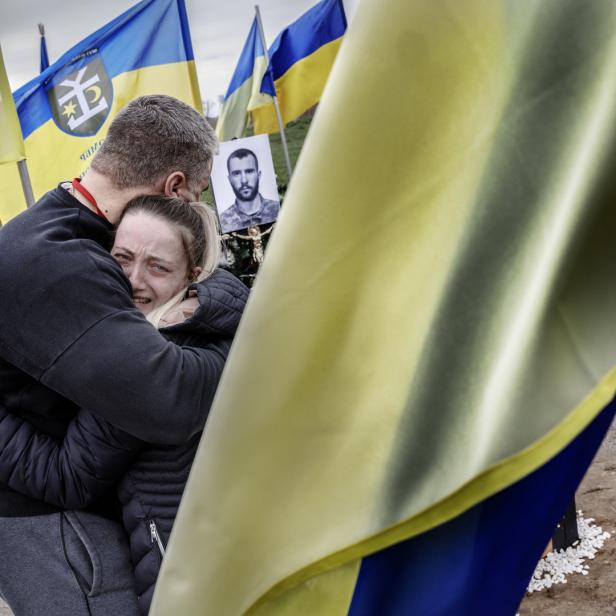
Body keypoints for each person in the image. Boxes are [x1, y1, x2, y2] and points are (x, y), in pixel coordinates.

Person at [0, 94, 225, 616]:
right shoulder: (61, 260)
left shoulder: (61, 233)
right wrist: (244, 350)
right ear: (174, 188)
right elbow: (167, 400)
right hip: (54, 527)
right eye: (198, 194)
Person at [219, 147, 280, 232]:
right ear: (229, 179)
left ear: (259, 175)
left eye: (249, 171)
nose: (244, 180)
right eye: (236, 173)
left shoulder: (277, 210)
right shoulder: (223, 221)